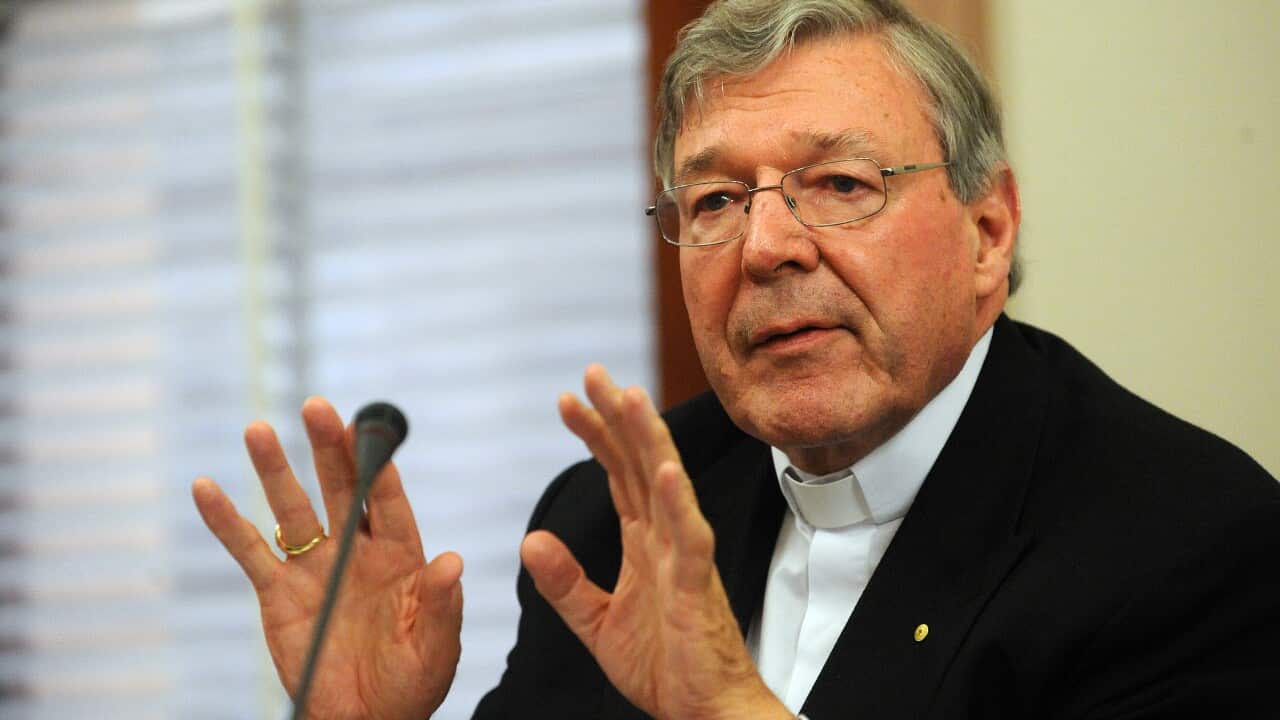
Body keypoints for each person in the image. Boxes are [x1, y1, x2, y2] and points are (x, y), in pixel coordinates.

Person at [192, 0, 1280, 718]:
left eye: (841, 185)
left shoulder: (1185, 543)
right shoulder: (609, 516)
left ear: (985, 232)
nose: (763, 247)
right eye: (715, 200)